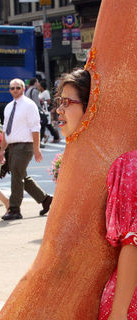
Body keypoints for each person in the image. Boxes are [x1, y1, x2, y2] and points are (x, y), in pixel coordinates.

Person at [56, 69, 137, 320]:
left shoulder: (128, 166)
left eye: (67, 102)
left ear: (91, 110)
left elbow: (133, 245)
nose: (59, 110)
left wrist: (119, 312)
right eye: (58, 102)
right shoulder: (79, 163)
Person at [0, 78, 53, 220]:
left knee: (17, 175)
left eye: (18, 87)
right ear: (9, 90)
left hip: (25, 146)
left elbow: (36, 128)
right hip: (12, 146)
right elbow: (5, 130)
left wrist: (36, 149)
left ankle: (14, 209)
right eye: (12, 88)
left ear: (23, 89)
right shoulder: (9, 107)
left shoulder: (29, 105)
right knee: (21, 175)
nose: (15, 90)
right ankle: (45, 199)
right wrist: (2, 150)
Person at [25, 77, 47, 148]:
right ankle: (38, 142)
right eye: (37, 82)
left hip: (28, 111)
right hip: (35, 112)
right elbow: (36, 102)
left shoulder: (28, 90)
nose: (38, 84)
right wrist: (41, 109)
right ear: (35, 83)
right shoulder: (34, 91)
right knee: (42, 123)